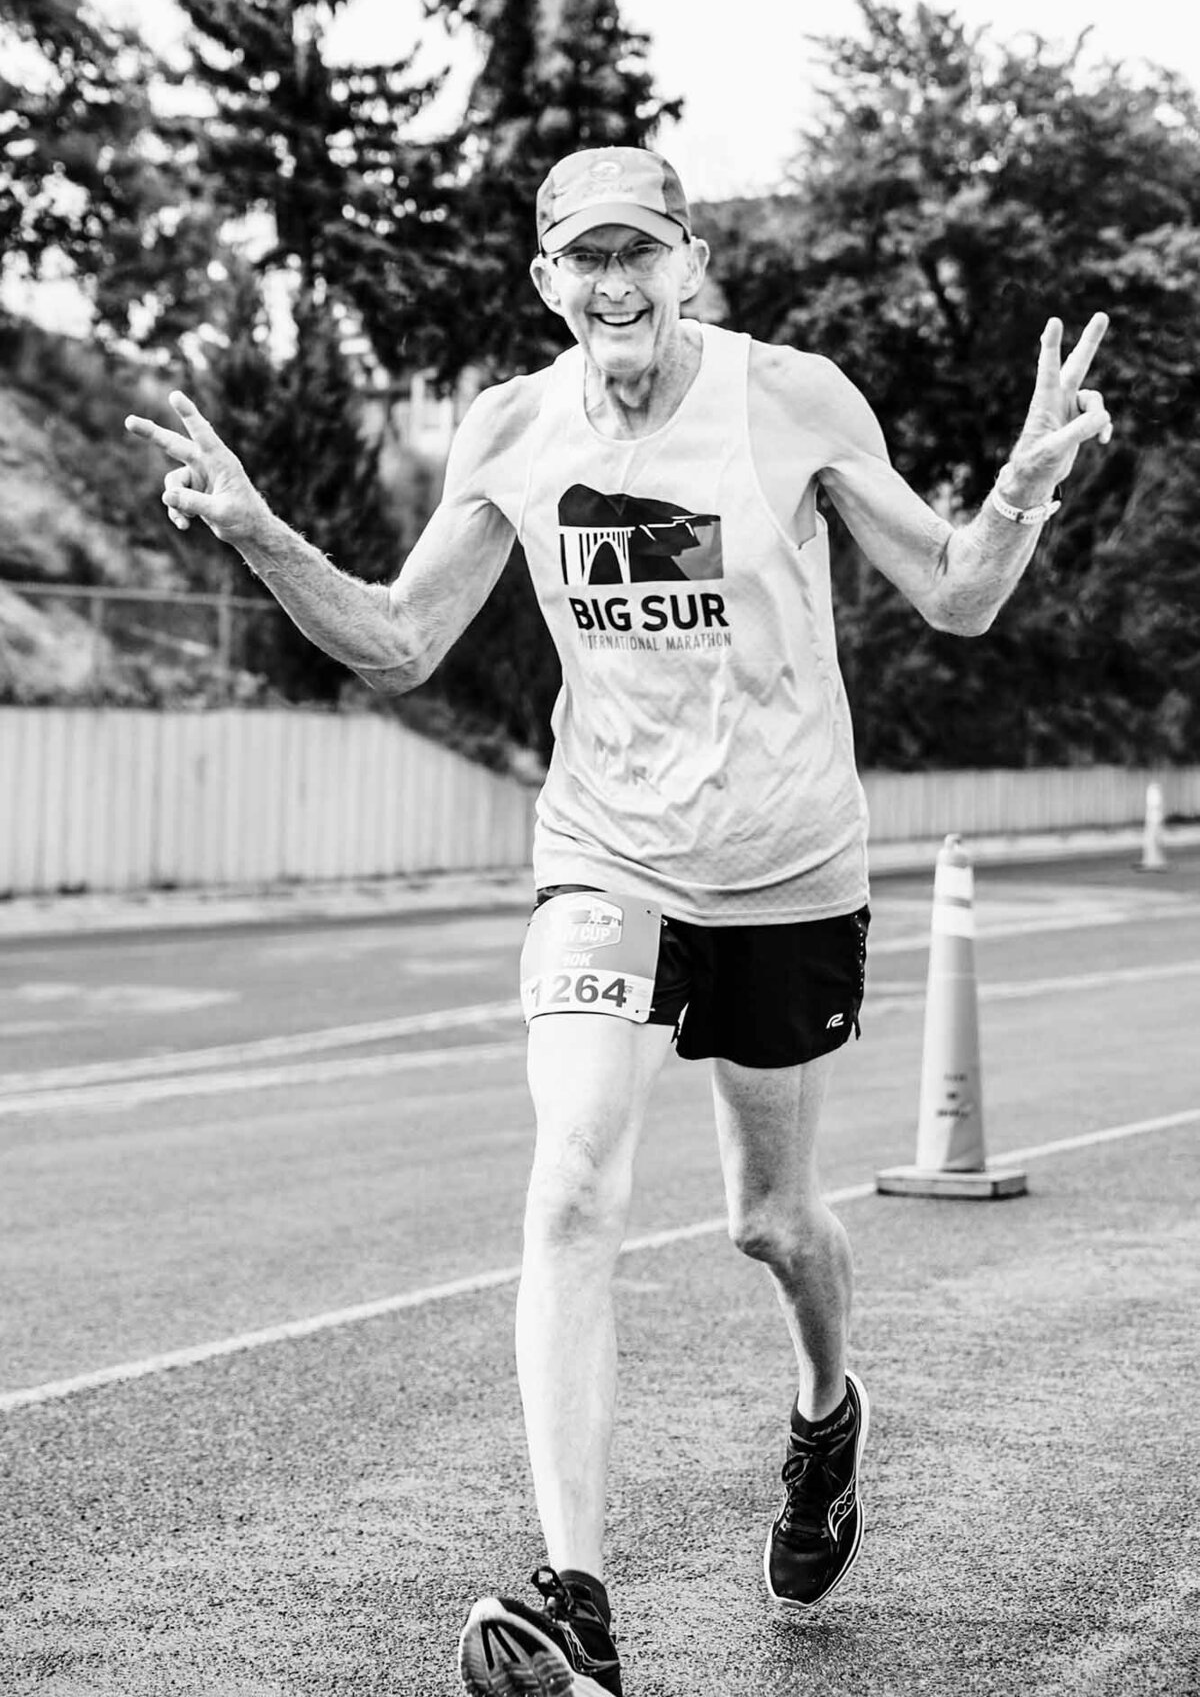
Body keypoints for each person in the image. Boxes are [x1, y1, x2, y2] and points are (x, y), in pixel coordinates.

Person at [126, 145, 1111, 1697]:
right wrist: (258, 530)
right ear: (548, 283)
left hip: (788, 864)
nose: (616, 282)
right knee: (573, 1179)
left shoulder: (791, 396)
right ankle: (576, 1599)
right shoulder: (514, 431)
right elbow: (397, 641)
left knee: (770, 1224)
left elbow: (959, 597)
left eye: (641, 250)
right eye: (585, 258)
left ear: (690, 261)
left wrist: (1024, 485)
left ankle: (826, 1413)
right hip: (607, 858)